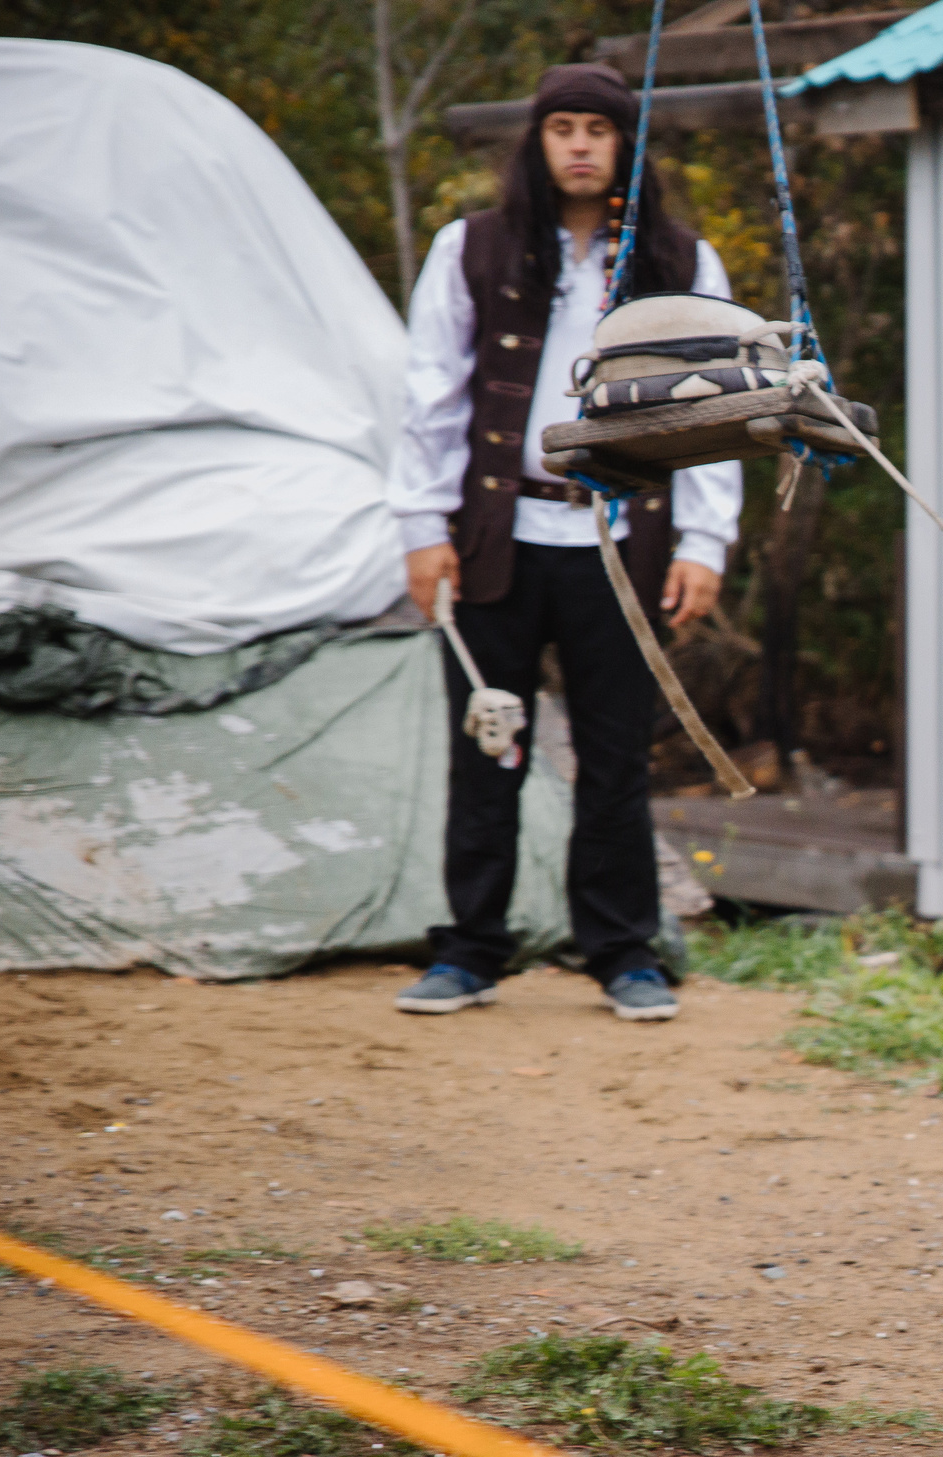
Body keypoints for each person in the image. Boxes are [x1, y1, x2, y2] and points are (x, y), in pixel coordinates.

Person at [386, 62, 742, 1023]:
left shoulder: (678, 259)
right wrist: (424, 528)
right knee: (489, 741)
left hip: (624, 539)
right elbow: (431, 397)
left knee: (618, 757)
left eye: (599, 127)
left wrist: (704, 542)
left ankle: (623, 952)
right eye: (563, 128)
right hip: (497, 536)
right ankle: (469, 951)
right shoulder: (475, 249)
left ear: (625, 144)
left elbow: (721, 408)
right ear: (537, 143)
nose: (581, 143)